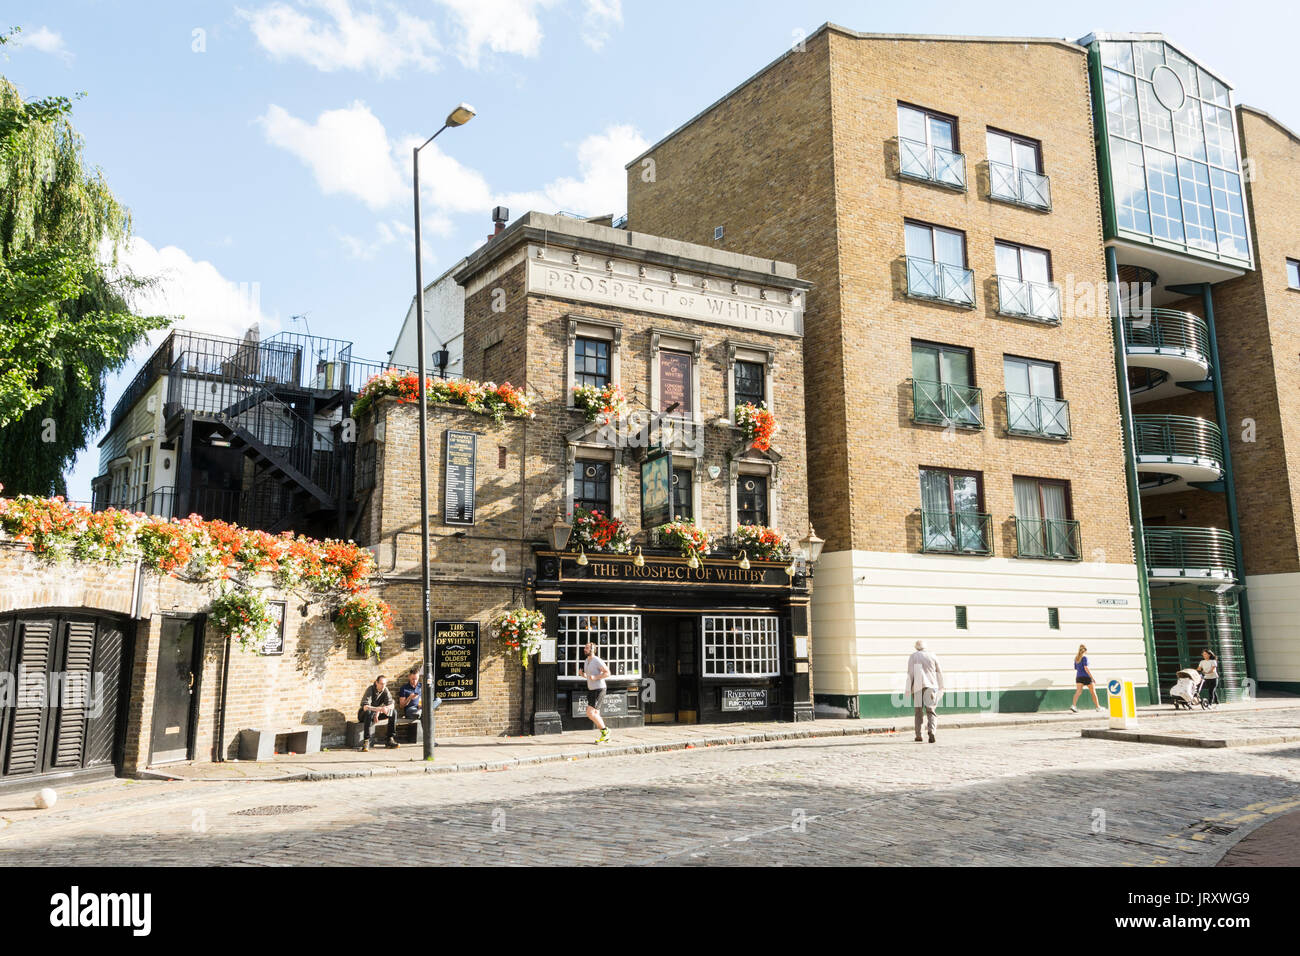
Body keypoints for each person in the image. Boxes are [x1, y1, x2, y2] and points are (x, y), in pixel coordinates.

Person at [904, 639, 943, 743]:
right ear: (925, 647)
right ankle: (932, 732)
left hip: (917, 687)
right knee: (931, 711)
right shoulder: (933, 655)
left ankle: (919, 735)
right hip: (930, 687)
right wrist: (941, 687)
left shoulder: (913, 656)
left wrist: (908, 689)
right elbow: (939, 672)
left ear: (916, 647)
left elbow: (910, 673)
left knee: (918, 712)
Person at [581, 641, 611, 744]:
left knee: (590, 713)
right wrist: (583, 675)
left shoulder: (597, 660)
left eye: (587, 648)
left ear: (592, 650)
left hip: (599, 689)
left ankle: (605, 731)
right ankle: (605, 735)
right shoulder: (586, 661)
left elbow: (608, 673)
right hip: (591, 689)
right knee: (595, 713)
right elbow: (589, 677)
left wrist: (596, 677)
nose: (585, 649)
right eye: (585, 647)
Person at [357, 674, 397, 751]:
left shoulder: (385, 690)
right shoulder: (370, 689)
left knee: (393, 712)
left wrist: (385, 708)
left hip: (376, 714)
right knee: (369, 712)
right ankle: (366, 741)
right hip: (364, 715)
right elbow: (365, 707)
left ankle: (390, 739)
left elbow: (392, 704)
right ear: (376, 683)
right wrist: (378, 709)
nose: (383, 686)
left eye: (384, 684)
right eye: (381, 684)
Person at [1070, 645, 1102, 713]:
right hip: (1086, 677)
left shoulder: (1076, 658)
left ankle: (1073, 706)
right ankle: (1098, 707)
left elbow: (1075, 668)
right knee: (1093, 692)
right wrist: (1092, 677)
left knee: (1078, 692)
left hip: (1079, 677)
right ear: (1085, 651)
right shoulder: (1085, 658)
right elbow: (1086, 668)